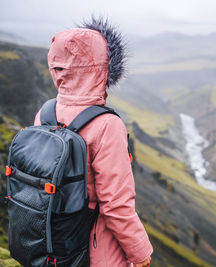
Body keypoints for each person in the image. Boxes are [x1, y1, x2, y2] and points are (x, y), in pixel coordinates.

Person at [34, 17, 153, 267]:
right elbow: (116, 206)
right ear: (102, 67)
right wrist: (140, 254)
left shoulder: (45, 113)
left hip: (50, 242)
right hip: (95, 252)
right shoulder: (107, 125)